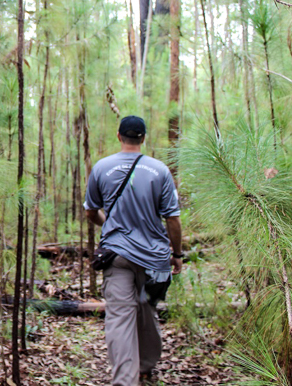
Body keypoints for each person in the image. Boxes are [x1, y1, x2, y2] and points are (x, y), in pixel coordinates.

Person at [84, 115, 183, 386]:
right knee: (147, 309)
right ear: (143, 138)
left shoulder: (102, 168)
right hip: (154, 259)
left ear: (119, 136)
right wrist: (177, 254)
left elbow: (91, 211)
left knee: (119, 317)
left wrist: (110, 224)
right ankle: (146, 366)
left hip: (117, 255)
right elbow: (172, 219)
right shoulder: (160, 170)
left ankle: (124, 380)